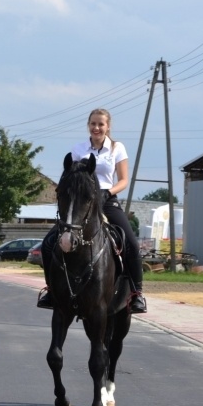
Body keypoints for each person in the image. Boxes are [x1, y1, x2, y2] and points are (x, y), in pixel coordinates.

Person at [37, 108, 147, 313]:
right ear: (88, 125)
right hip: (81, 204)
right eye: (93, 124)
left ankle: (136, 293)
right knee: (48, 243)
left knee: (130, 242)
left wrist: (107, 193)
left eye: (100, 124)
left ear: (108, 126)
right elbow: (70, 177)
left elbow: (123, 180)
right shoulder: (78, 149)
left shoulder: (117, 148)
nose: (96, 128)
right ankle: (51, 290)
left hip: (106, 200)